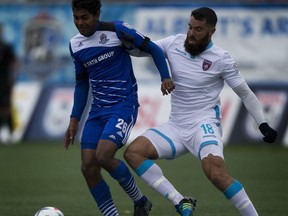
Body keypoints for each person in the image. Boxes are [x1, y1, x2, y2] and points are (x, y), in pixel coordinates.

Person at [124, 7, 278, 216]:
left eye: (198, 29)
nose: (191, 33)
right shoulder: (174, 43)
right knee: (133, 153)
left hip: (203, 125)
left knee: (216, 173)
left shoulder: (221, 58)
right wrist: (127, 44)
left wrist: (263, 123)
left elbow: (245, 93)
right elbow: (144, 50)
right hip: (176, 126)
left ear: (211, 32)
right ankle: (180, 201)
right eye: (190, 27)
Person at [64, 0, 175, 216]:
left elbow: (152, 48)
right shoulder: (75, 45)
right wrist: (74, 118)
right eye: (75, 17)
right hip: (97, 112)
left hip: (123, 105)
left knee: (103, 155)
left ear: (97, 14)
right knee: (88, 166)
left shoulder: (117, 30)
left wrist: (165, 76)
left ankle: (140, 200)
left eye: (84, 17)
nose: (79, 22)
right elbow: (82, 82)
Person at [0, 22, 17, 144]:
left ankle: (9, 132)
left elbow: (14, 63)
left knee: (6, 107)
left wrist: (13, 78)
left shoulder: (6, 47)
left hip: (4, 82)